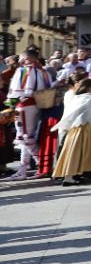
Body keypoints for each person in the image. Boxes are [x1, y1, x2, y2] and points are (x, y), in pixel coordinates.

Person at [52, 78, 91, 184]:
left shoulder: (76, 98)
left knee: (73, 152)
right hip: (85, 128)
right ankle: (73, 176)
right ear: (89, 87)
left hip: (73, 128)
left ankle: (77, 175)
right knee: (84, 152)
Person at [5, 49, 50, 179]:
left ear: (27, 59)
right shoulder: (43, 71)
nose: (19, 59)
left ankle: (43, 165)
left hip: (24, 105)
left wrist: (12, 101)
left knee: (25, 137)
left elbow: (23, 91)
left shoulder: (25, 71)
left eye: (21, 57)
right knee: (26, 138)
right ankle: (22, 170)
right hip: (34, 105)